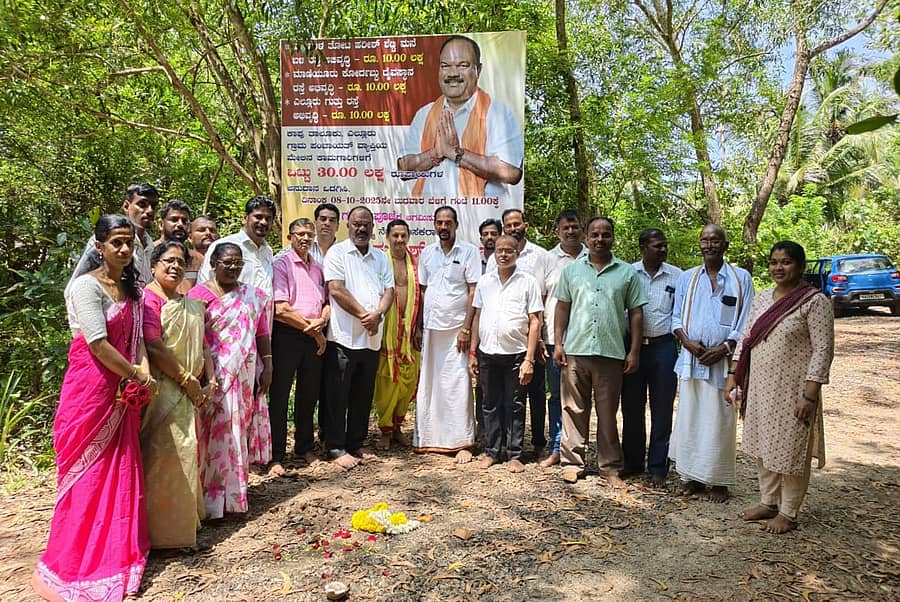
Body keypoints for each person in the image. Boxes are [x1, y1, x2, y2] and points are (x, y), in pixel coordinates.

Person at [33, 215, 155, 601]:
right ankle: (75, 562)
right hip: (92, 393)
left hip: (124, 391)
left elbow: (138, 342)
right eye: (116, 242)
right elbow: (98, 344)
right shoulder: (86, 288)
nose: (123, 249)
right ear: (99, 246)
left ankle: (117, 551)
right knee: (87, 474)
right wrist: (136, 374)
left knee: (121, 471)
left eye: (128, 243)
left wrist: (141, 376)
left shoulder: (133, 291)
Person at [728, 241, 834, 533]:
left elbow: (823, 350)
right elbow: (746, 339)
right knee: (764, 447)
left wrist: (809, 395)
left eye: (785, 262)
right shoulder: (762, 299)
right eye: (774, 262)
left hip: (794, 391)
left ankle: (788, 512)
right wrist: (733, 375)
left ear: (800, 266)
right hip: (760, 388)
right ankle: (768, 502)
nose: (778, 268)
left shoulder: (814, 302)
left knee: (791, 451)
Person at [553, 217, 646, 488]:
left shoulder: (627, 273)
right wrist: (559, 344)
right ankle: (572, 463)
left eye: (606, 235)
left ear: (613, 238)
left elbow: (637, 313)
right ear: (587, 236)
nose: (600, 240)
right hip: (576, 351)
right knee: (573, 409)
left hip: (611, 352)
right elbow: (562, 308)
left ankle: (610, 467)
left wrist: (634, 351)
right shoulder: (572, 271)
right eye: (595, 234)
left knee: (608, 413)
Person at [669, 224, 754, 502]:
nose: (709, 245)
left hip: (724, 362)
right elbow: (676, 318)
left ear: (725, 245)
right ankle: (692, 477)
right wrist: (687, 342)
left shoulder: (741, 279)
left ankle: (718, 480)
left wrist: (726, 346)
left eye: (715, 240)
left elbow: (745, 321)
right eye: (705, 240)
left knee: (721, 419)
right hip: (692, 360)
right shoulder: (688, 278)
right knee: (691, 418)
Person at [188, 242, 273, 518]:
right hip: (213, 375)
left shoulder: (252, 296)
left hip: (245, 375)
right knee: (212, 434)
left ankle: (234, 495)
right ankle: (210, 501)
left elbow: (261, 332)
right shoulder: (198, 295)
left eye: (238, 262)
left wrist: (268, 364)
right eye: (228, 262)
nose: (234, 267)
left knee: (238, 432)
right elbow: (193, 336)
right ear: (213, 264)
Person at [141, 241, 214, 548]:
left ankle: (185, 523)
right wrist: (186, 379)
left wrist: (209, 379)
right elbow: (154, 346)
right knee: (165, 457)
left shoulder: (189, 302)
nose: (174, 266)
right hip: (162, 388)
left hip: (189, 389)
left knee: (187, 453)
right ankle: (163, 533)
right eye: (168, 261)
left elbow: (204, 344)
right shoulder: (148, 300)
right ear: (154, 265)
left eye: (180, 261)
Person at [398, 35, 523, 202]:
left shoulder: (498, 114)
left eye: (463, 65)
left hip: (482, 218)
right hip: (428, 217)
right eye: (445, 66)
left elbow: (512, 172)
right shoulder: (424, 114)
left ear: (478, 70)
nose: (453, 73)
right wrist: (434, 153)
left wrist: (457, 153)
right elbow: (403, 169)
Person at [322, 206, 394, 469]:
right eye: (356, 224)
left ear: (373, 228)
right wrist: (367, 316)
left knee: (362, 395)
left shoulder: (380, 257)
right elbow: (336, 290)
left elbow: (389, 290)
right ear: (348, 226)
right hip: (344, 338)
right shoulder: (337, 253)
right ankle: (335, 446)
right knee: (337, 394)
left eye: (366, 224)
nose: (361, 229)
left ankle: (356, 442)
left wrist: (379, 314)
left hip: (372, 340)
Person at [413, 206, 481, 462]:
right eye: (439, 222)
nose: (443, 227)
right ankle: (429, 438)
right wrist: (419, 326)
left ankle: (461, 441)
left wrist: (466, 327)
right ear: (434, 225)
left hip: (456, 331)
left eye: (448, 222)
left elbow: (474, 292)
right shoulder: (427, 253)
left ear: (456, 225)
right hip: (431, 327)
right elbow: (422, 292)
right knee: (431, 383)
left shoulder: (469, 252)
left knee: (458, 384)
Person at [469, 235, 542, 473]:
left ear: (516, 253)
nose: (503, 254)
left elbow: (534, 322)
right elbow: (477, 317)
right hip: (488, 353)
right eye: (499, 250)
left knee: (515, 404)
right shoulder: (485, 282)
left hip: (516, 354)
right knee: (489, 403)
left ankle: (514, 454)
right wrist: (473, 352)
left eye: (508, 250)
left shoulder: (528, 282)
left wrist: (529, 360)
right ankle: (492, 451)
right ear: (493, 254)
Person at [620, 229, 683, 487]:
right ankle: (633, 462)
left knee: (662, 408)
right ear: (643, 247)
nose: (663, 250)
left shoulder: (677, 276)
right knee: (631, 407)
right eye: (657, 246)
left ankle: (658, 466)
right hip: (632, 347)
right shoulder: (627, 273)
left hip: (664, 348)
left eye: (664, 246)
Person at [487, 208, 551, 454]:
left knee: (534, 393)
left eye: (517, 223)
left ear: (525, 224)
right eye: (508, 225)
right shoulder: (491, 270)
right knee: (504, 398)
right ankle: (499, 445)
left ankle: (536, 444)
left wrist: (540, 339)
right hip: (501, 345)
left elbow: (542, 299)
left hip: (534, 338)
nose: (513, 228)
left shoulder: (541, 256)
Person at [268, 218, 329, 474]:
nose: (305, 238)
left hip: (313, 335)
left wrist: (323, 320)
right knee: (280, 395)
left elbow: (326, 302)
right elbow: (280, 308)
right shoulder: (281, 264)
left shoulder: (317, 266)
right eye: (300, 234)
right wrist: (315, 332)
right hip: (288, 336)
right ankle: (276, 454)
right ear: (290, 236)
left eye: (309, 234)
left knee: (309, 394)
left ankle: (304, 447)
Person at [541, 210, 588, 468]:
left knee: (582, 398)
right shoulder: (548, 259)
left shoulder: (592, 258)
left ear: (581, 229)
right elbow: (539, 299)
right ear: (558, 231)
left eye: (574, 227)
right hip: (554, 341)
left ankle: (580, 448)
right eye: (565, 228)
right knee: (557, 396)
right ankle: (557, 446)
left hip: (585, 341)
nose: (570, 231)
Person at [373, 219, 421, 451]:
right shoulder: (381, 262)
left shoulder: (415, 265)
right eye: (395, 236)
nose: (399, 240)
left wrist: (418, 326)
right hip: (388, 329)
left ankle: (398, 427)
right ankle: (385, 430)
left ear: (408, 237)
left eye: (403, 236)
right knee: (386, 382)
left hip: (410, 330)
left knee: (407, 380)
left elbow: (422, 295)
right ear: (388, 238)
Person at [67, 184, 159, 293]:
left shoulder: (150, 246)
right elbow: (75, 288)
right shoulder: (104, 241)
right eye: (142, 204)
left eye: (153, 206)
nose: (149, 211)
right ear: (126, 206)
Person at [198, 196, 276, 299]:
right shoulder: (223, 245)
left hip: (263, 314)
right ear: (245, 218)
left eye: (268, 218)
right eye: (258, 217)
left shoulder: (268, 251)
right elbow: (204, 287)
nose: (263, 222)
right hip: (225, 313)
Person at [473, 217, 503, 443]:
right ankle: (484, 434)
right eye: (486, 234)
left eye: (494, 233)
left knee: (504, 389)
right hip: (479, 331)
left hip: (504, 336)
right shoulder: (473, 260)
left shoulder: (507, 261)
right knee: (482, 387)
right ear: (481, 238)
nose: (490, 237)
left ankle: (503, 434)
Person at [155, 199, 204, 292]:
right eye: (174, 220)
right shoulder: (149, 252)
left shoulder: (198, 259)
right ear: (161, 224)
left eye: (184, 221)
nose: (180, 224)